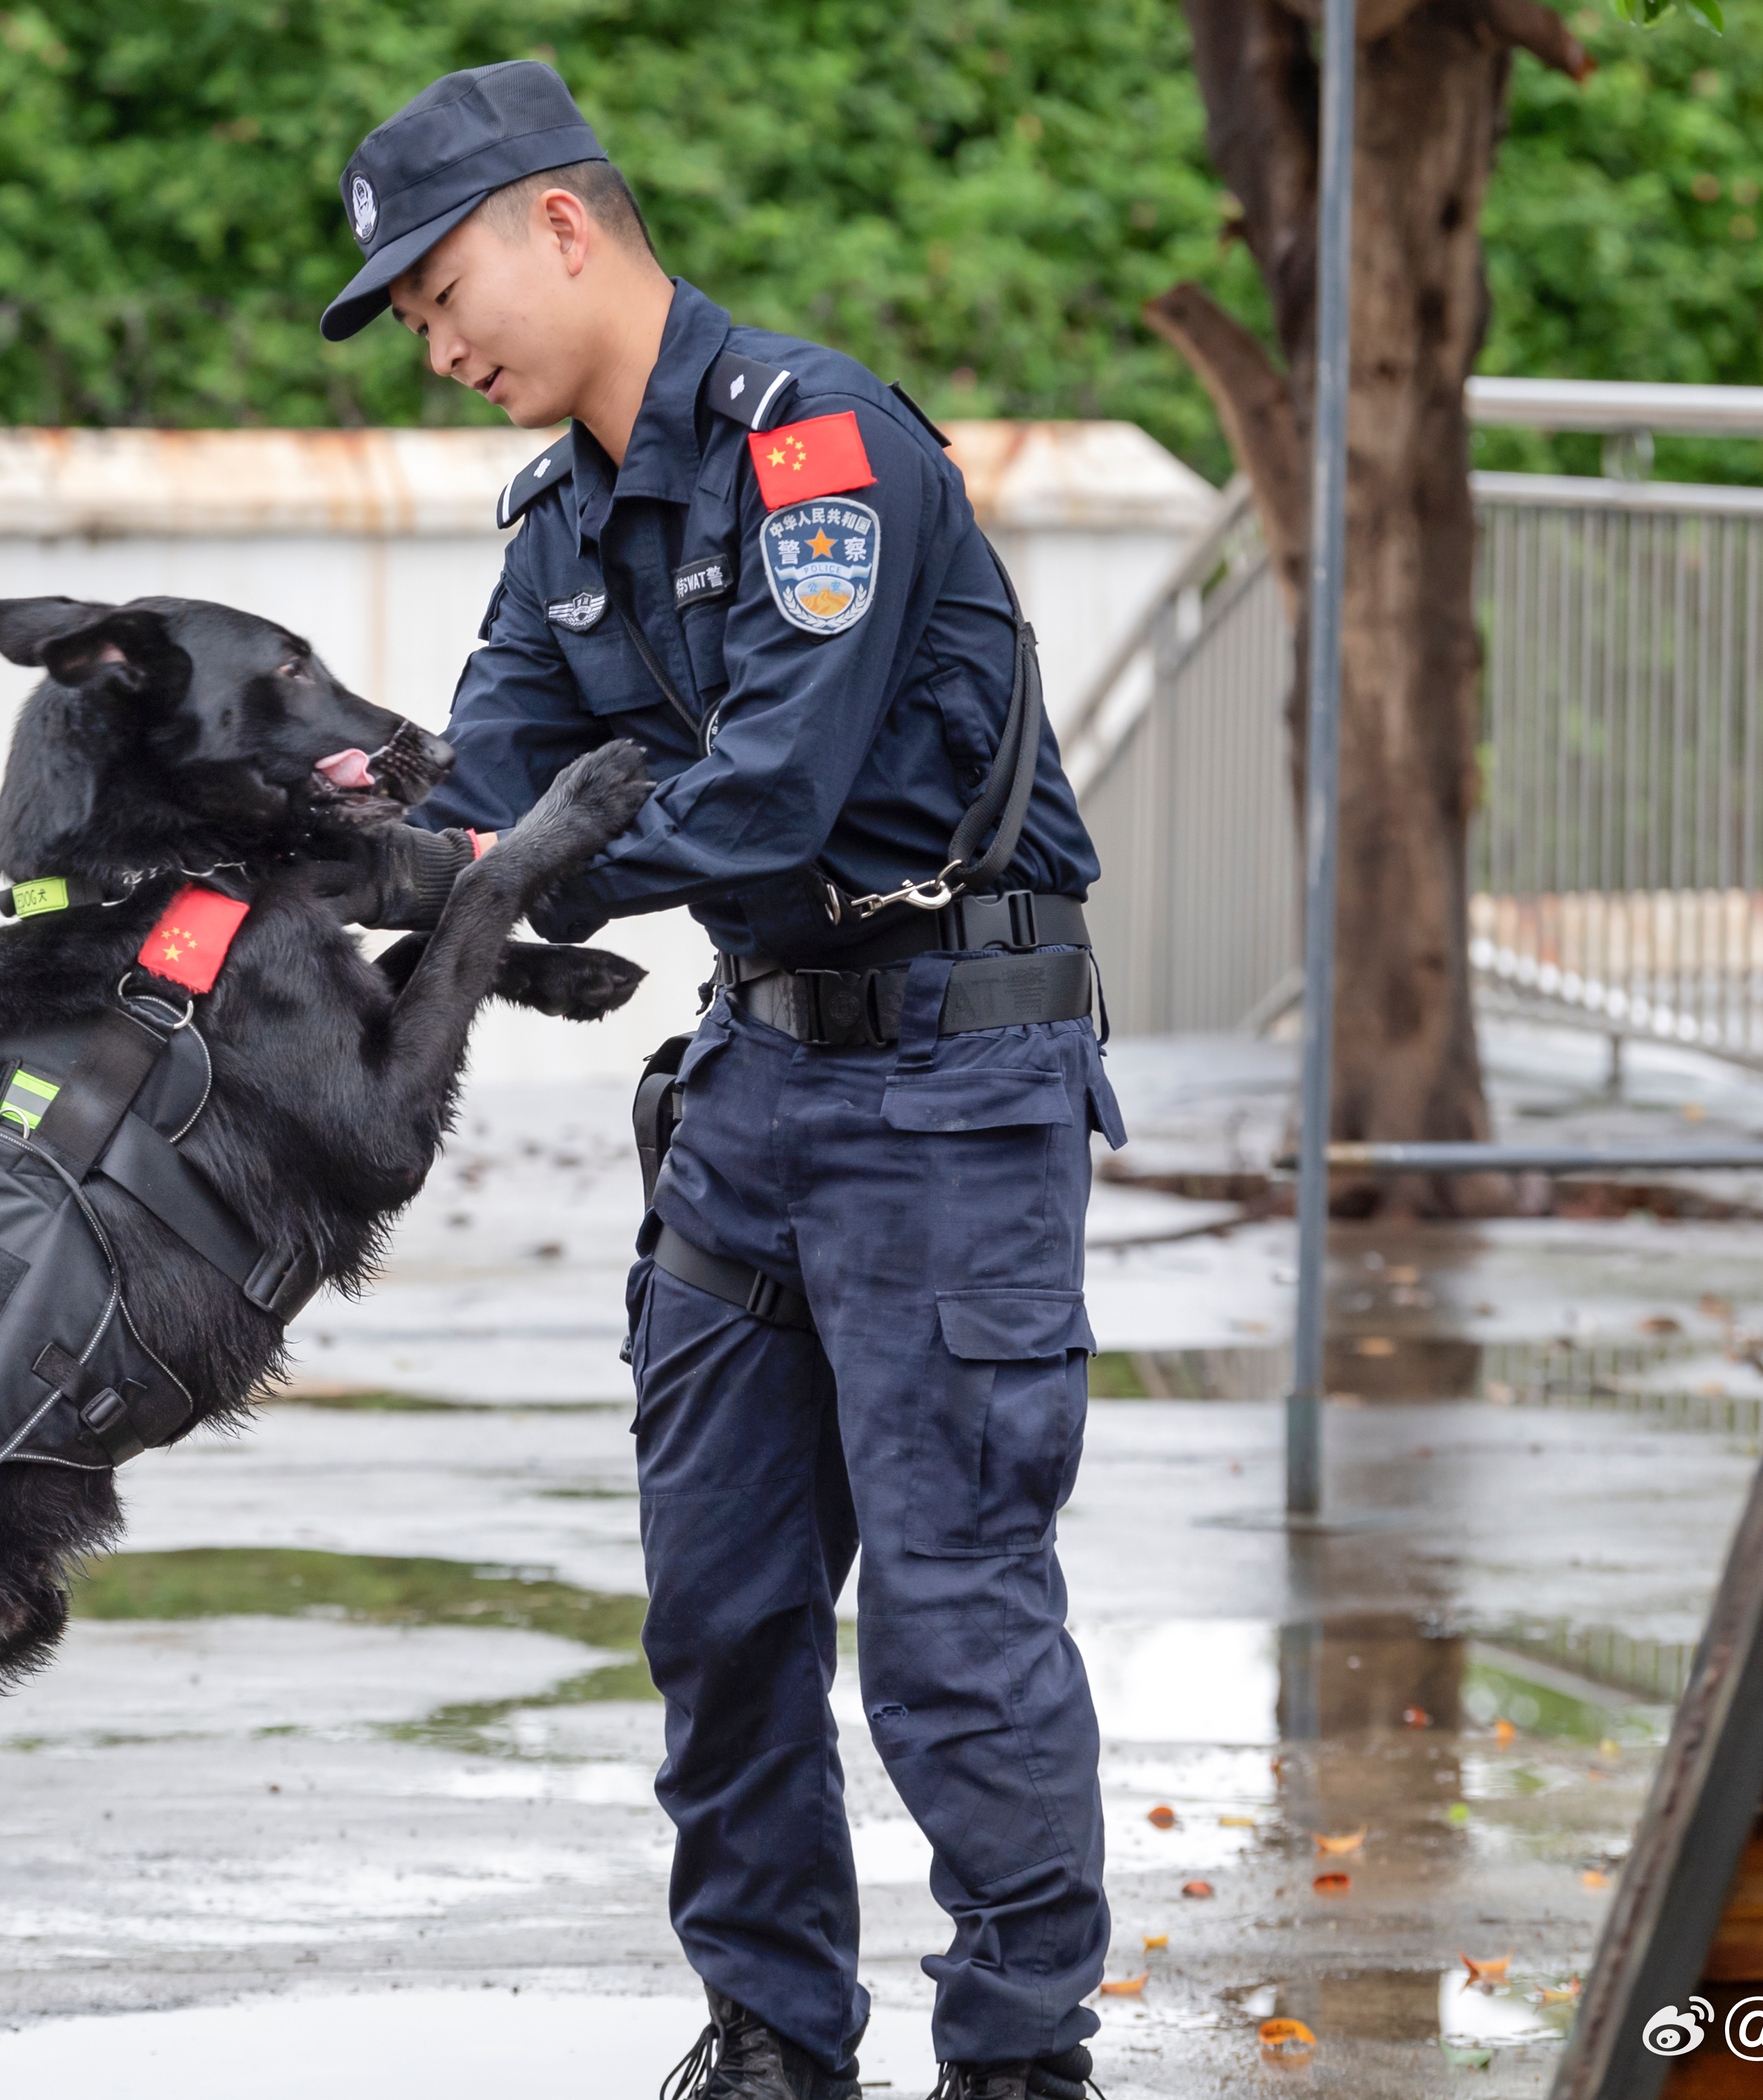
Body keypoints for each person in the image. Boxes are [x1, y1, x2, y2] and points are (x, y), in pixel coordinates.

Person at [319, 60, 1123, 2100]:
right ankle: (771, 2039)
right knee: (726, 1609)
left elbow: (771, 799)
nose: (438, 342)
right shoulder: (567, 518)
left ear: (561, 226)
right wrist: (287, 853)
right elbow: (480, 787)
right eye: (409, 319)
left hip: (952, 1085)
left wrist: (496, 885)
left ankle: (1021, 2062)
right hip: (754, 1092)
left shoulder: (818, 447)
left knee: (953, 1622)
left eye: (441, 290)